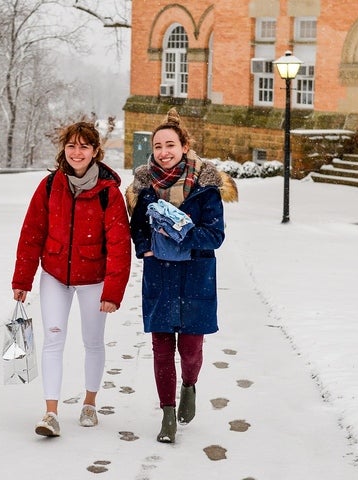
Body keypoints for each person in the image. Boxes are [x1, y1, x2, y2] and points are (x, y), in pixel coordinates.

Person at [12, 121, 132, 438]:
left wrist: (113, 292)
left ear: (95, 152)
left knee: (92, 341)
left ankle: (90, 402)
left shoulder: (109, 194)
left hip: (94, 278)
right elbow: (31, 234)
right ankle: (51, 413)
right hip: (54, 275)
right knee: (53, 340)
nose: (76, 152)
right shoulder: (50, 186)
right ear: (64, 150)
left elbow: (120, 246)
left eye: (83, 146)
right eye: (71, 146)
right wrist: (22, 280)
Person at [126, 108, 238, 443]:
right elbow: (137, 228)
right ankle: (167, 414)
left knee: (190, 349)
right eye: (157, 146)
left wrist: (181, 236)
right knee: (161, 347)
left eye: (170, 144)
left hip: (195, 276)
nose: (163, 151)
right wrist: (145, 247)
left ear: (184, 146)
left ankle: (190, 384)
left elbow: (215, 235)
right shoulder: (144, 186)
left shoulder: (205, 186)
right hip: (158, 275)